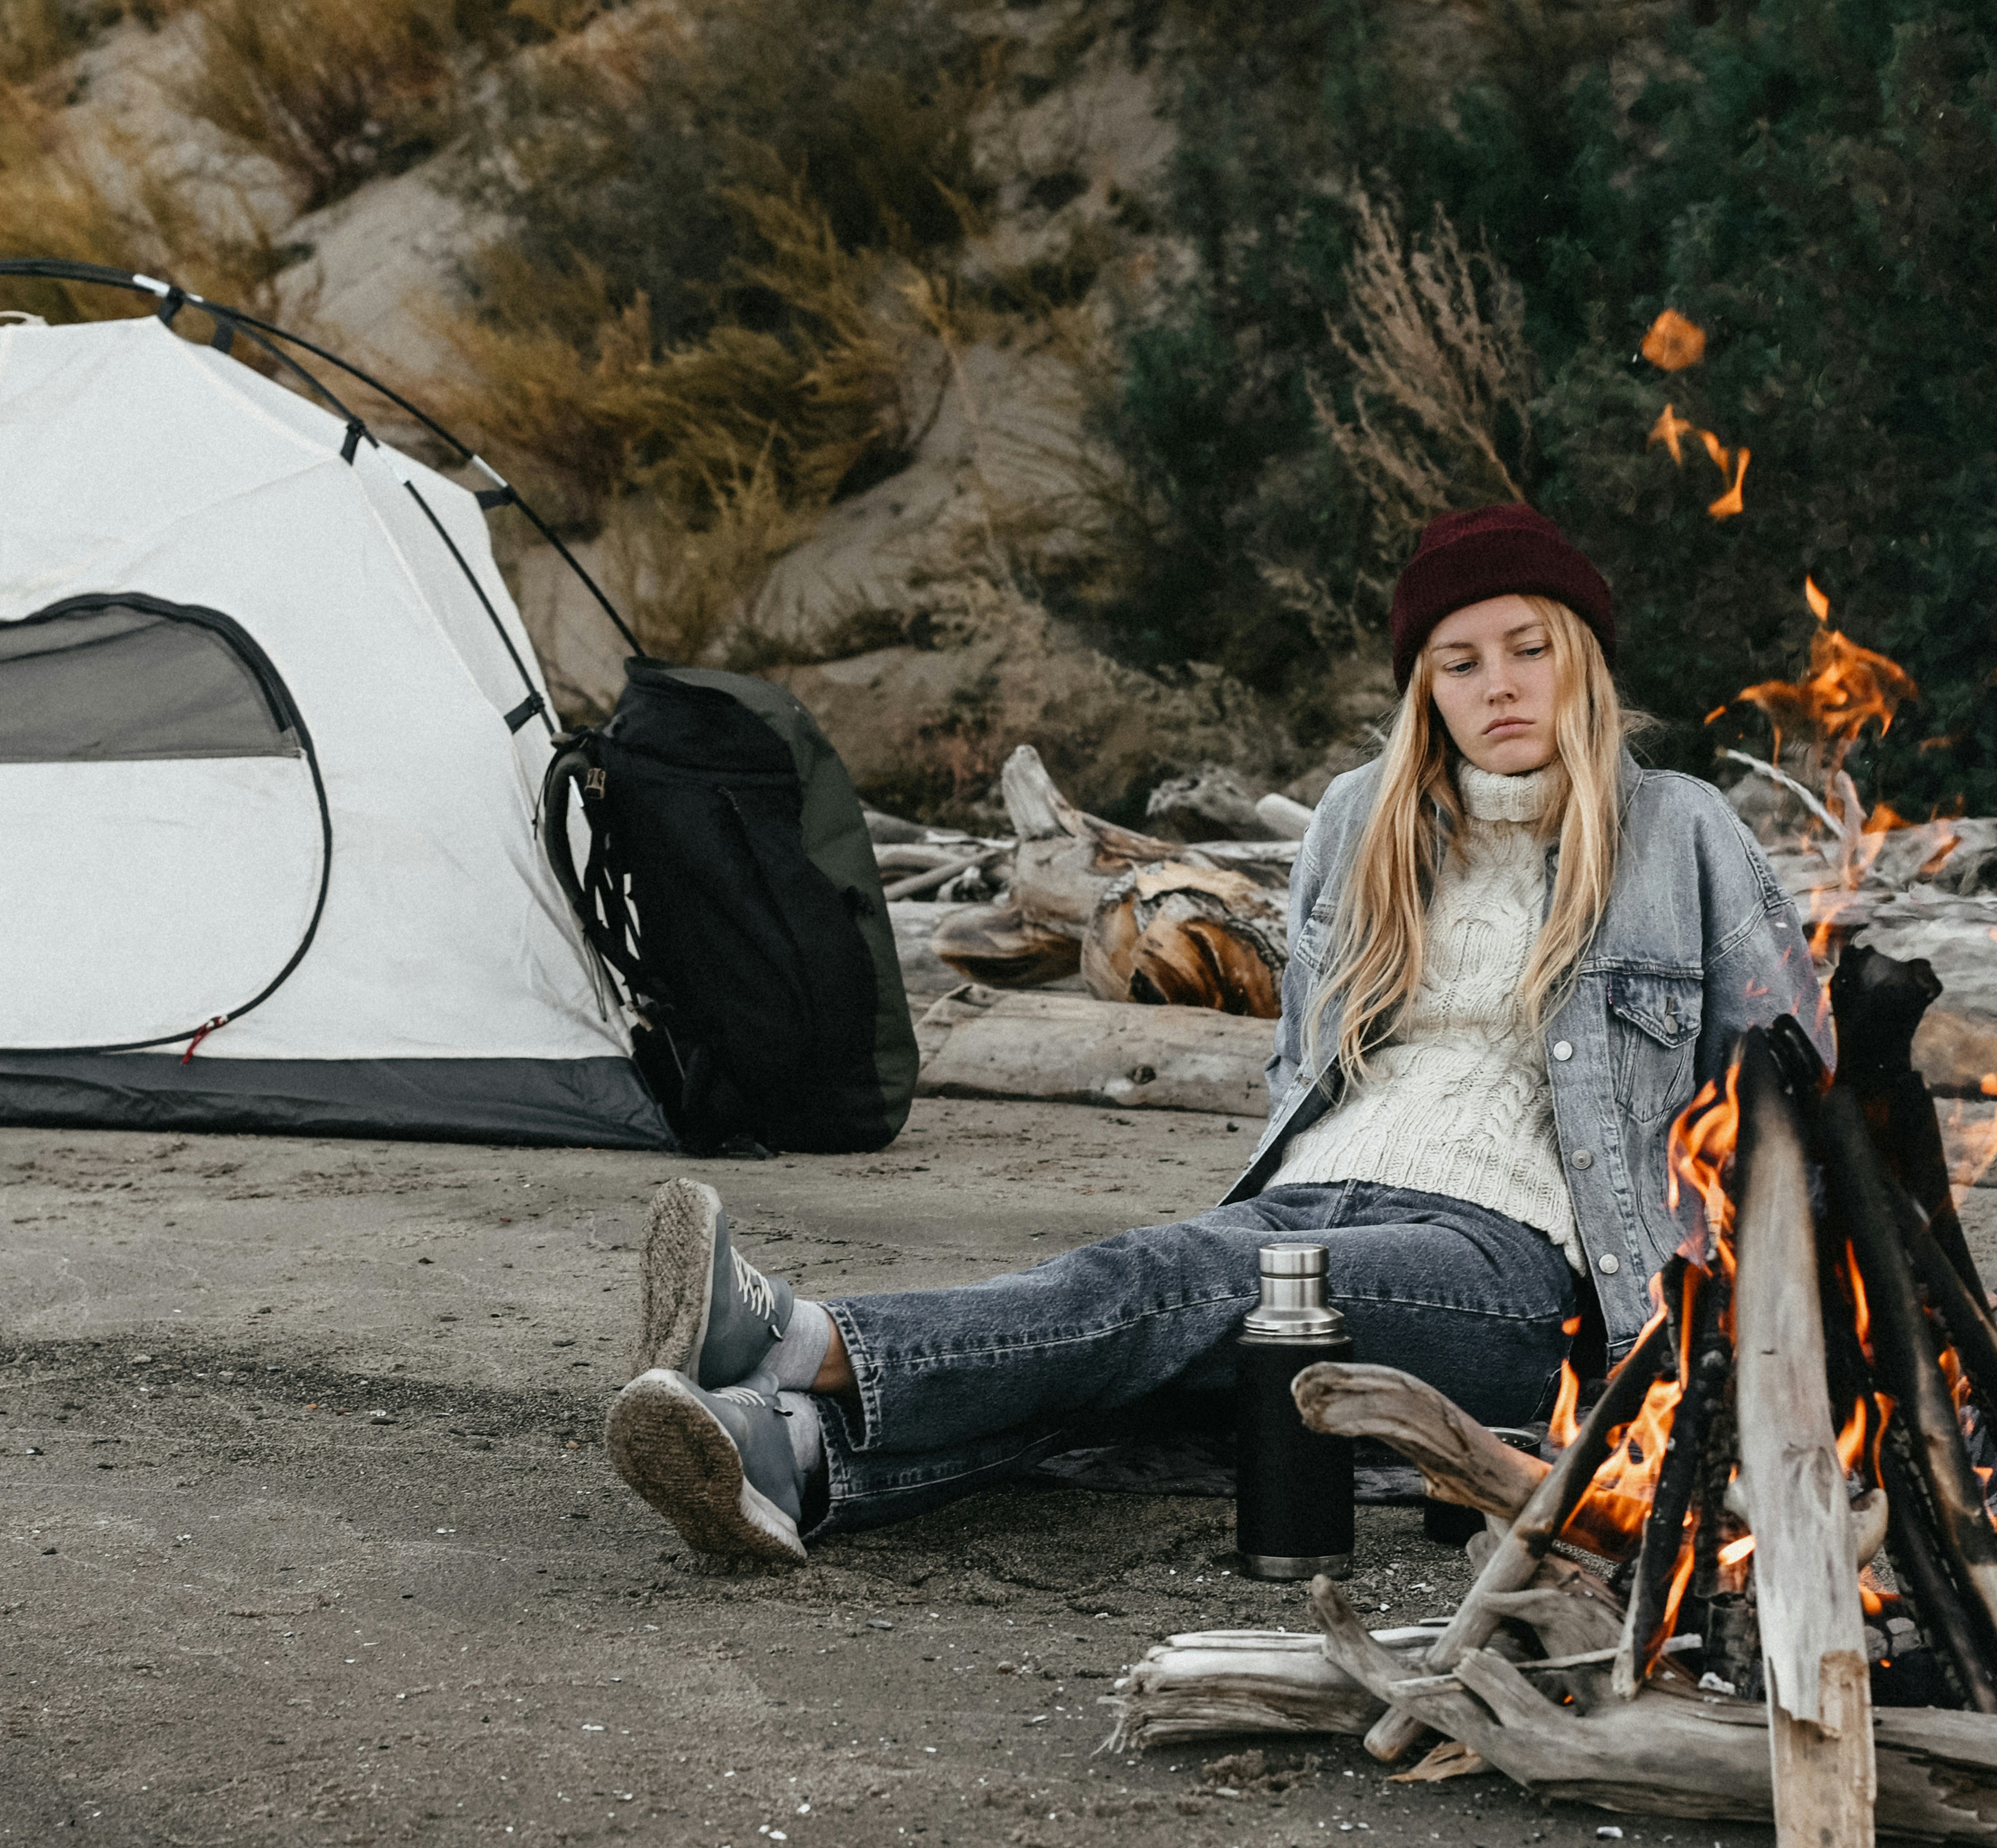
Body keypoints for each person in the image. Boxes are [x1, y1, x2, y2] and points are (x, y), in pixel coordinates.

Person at [603, 504, 1829, 1565]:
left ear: (1583, 660)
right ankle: (794, 1461)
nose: (1497, 685)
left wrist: (1766, 1340)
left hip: (1519, 1272)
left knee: (1162, 1285)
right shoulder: (1361, 821)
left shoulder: (1679, 830)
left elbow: (1796, 1083)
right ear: (1424, 689)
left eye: (1527, 648)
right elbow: (1308, 1061)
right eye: (1459, 663)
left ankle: (793, 1339)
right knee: (1141, 1355)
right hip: (1306, 1201)